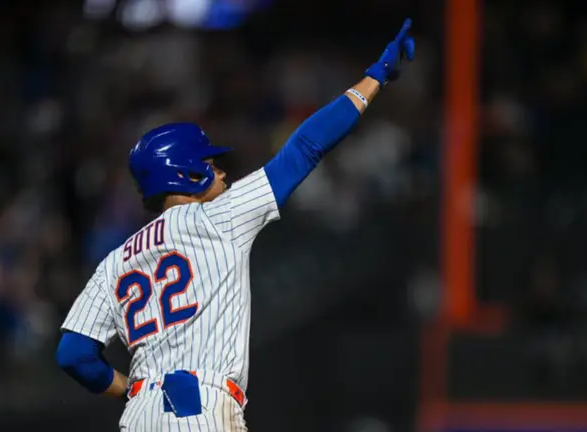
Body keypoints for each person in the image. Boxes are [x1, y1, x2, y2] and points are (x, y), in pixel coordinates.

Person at [56, 19, 415, 431]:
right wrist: (373, 79)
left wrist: (131, 391)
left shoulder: (114, 262)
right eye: (210, 164)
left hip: (139, 416)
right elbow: (305, 148)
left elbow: (73, 354)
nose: (222, 173)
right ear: (187, 174)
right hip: (199, 406)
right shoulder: (220, 217)